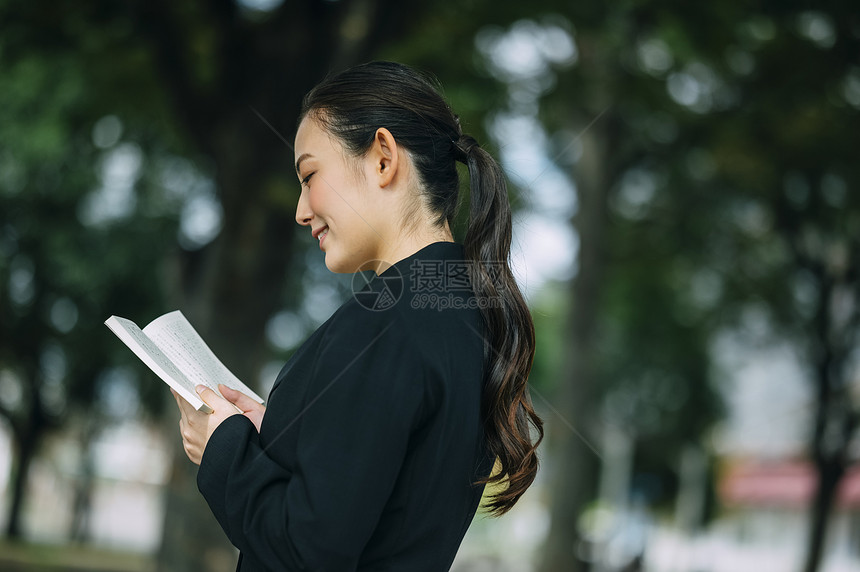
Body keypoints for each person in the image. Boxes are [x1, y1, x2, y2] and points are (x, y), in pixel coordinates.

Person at [172, 61, 543, 571]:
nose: (301, 210)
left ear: (383, 158)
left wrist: (224, 448)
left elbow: (308, 553)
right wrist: (280, 430)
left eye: (309, 175)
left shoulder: (383, 324)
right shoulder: (465, 315)